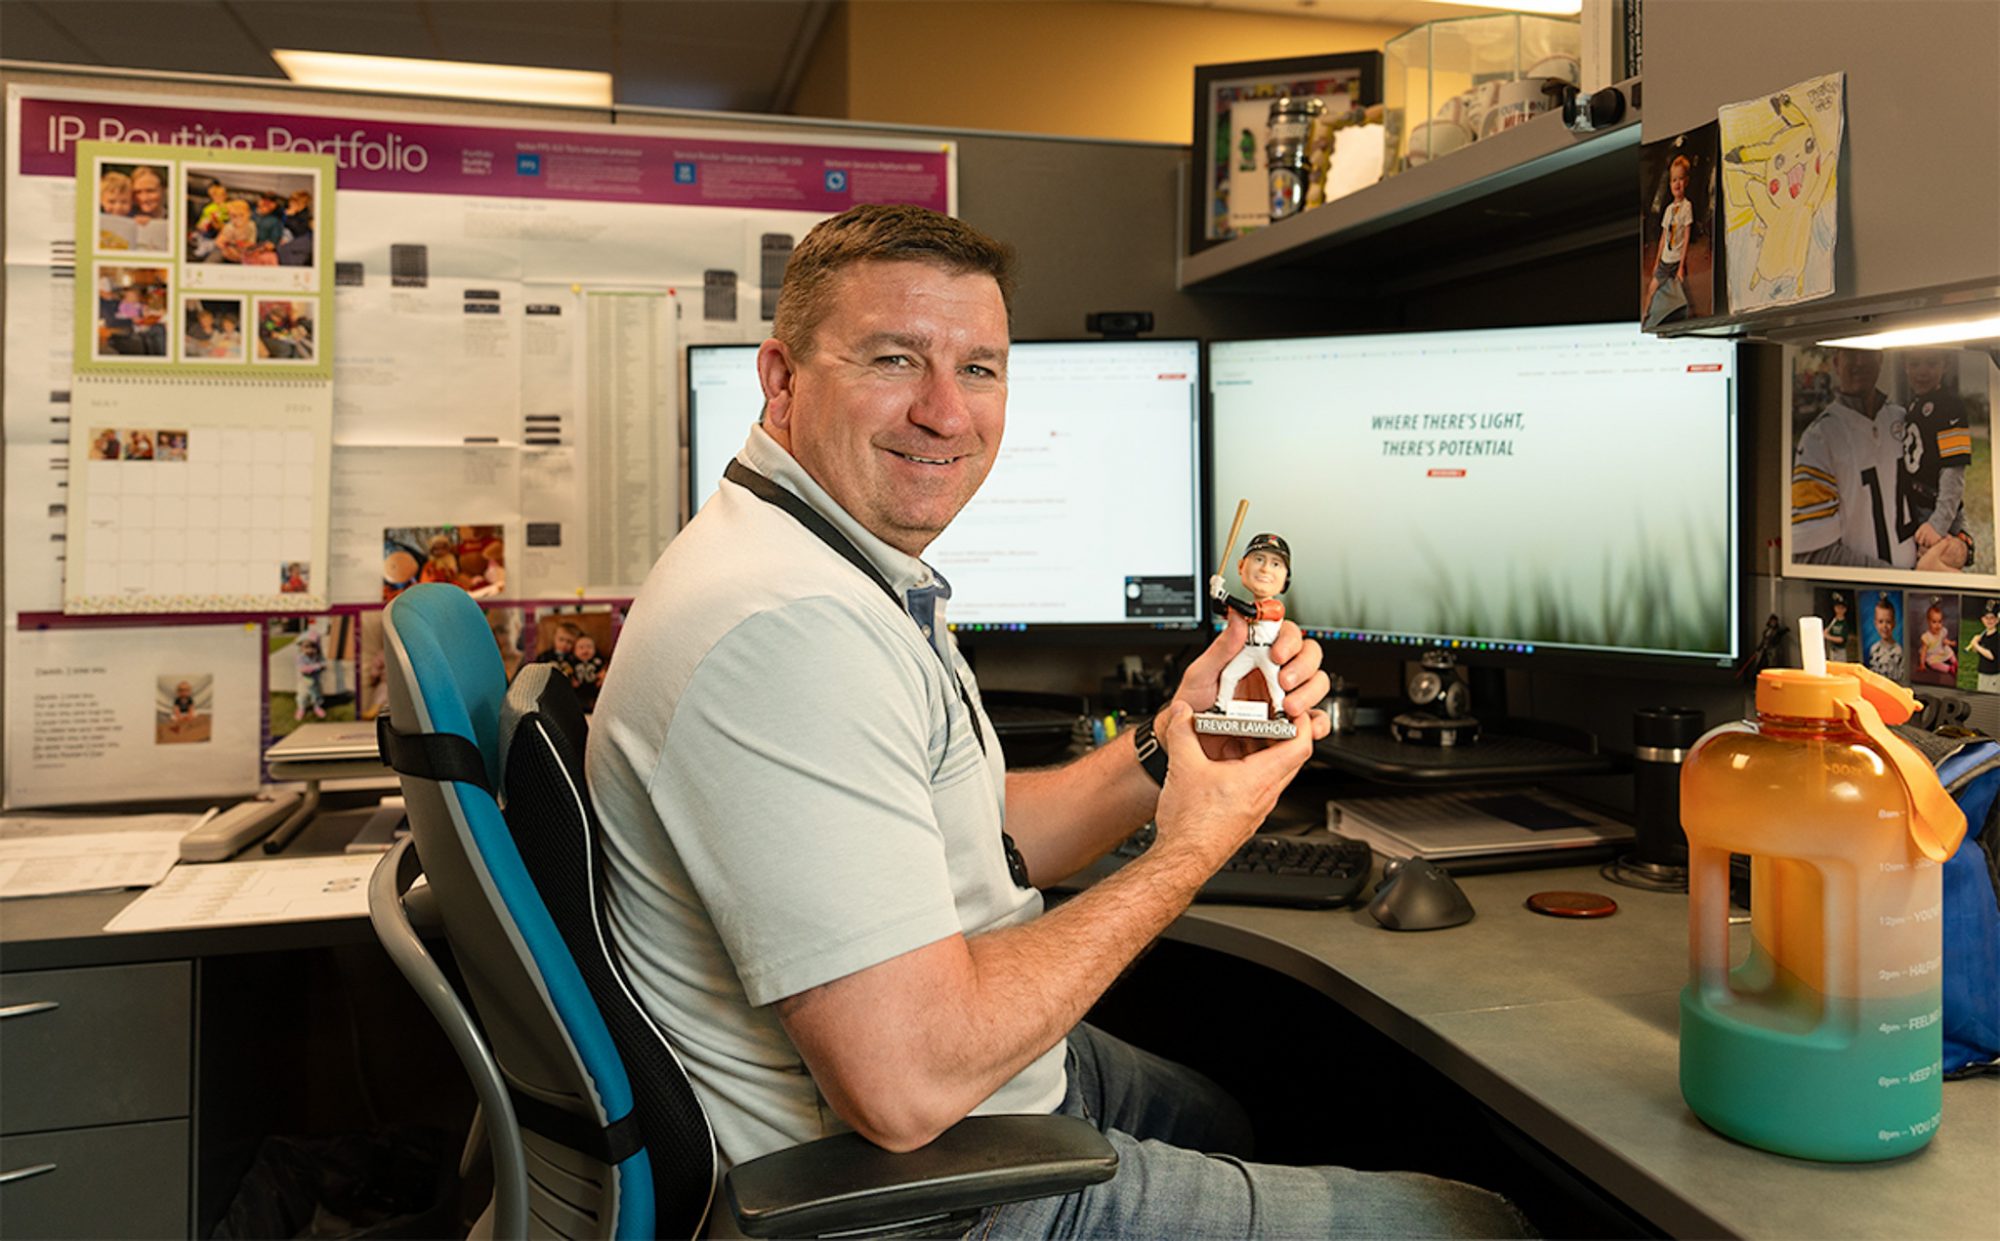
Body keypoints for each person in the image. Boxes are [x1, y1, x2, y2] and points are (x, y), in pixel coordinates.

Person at [588, 204, 1528, 1238]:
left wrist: (1170, 742)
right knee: (1473, 1223)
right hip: (924, 1197)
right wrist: (1191, 845)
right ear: (780, 378)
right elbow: (901, 1085)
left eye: (980, 369)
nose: (946, 412)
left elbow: (972, 839)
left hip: (968, 1103)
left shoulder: (820, 560)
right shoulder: (788, 630)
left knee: (1224, 1106)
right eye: (894, 359)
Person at [1792, 349, 1945, 570]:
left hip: (1914, 588)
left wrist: (1959, 546)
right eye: (1851, 355)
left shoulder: (1903, 418)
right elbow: (1811, 553)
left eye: (1867, 354)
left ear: (1881, 359)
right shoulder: (1819, 438)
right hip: (1860, 597)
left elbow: (1935, 494)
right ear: (1836, 362)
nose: (1860, 362)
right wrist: (1901, 581)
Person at [1898, 349, 1974, 572]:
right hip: (1916, 508)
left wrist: (1938, 524)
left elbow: (1954, 472)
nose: (1923, 371)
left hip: (1939, 510)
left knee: (1940, 574)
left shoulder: (1951, 407)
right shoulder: (1912, 405)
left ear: (1945, 365)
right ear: (1905, 366)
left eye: (1931, 363)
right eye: (1915, 363)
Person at [1207, 531, 1291, 718]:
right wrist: (1214, 592)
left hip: (1267, 652)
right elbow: (1220, 611)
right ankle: (1221, 707)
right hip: (1248, 649)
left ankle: (1280, 710)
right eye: (1259, 559)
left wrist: (1224, 595)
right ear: (1241, 567)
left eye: (1275, 564)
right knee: (1229, 675)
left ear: (1286, 581)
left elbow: (1251, 612)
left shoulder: (1276, 606)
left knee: (1274, 682)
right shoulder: (1246, 605)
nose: (1265, 569)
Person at [1644, 153, 1693, 323]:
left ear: (1686, 181)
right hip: (1665, 259)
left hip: (1676, 260)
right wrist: (1657, 262)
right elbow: (1664, 237)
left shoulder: (1687, 207)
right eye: (1673, 180)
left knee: (1680, 293)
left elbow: (1686, 237)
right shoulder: (1668, 210)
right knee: (1652, 288)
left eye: (1680, 179)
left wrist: (1681, 266)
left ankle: (1679, 319)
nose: (1677, 184)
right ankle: (1646, 317)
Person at [128, 166, 171, 251]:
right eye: (138, 192)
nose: (144, 198)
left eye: (150, 191)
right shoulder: (124, 218)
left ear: (164, 190)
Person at [1867, 595, 1906, 681]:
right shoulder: (1874, 649)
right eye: (1881, 622)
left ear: (1894, 624)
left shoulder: (1898, 651)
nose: (1884, 626)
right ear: (1875, 624)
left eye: (1888, 622)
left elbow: (1901, 677)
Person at [1917, 598, 1957, 681]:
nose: (1937, 625)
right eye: (1934, 622)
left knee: (1949, 650)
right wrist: (1922, 664)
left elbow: (1944, 640)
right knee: (1932, 663)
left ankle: (1955, 662)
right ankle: (1949, 668)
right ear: (1928, 622)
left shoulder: (1943, 631)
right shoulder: (1926, 637)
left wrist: (1950, 643)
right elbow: (1924, 652)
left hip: (1941, 649)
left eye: (1940, 622)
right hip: (1932, 653)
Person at [295, 631, 328, 720]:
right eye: (306, 647)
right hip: (304, 682)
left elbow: (324, 664)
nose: (310, 650)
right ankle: (301, 708)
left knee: (316, 695)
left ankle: (317, 707)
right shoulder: (300, 657)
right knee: (302, 696)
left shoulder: (317, 656)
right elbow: (303, 669)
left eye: (313, 647)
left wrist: (322, 666)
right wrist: (318, 666)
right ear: (301, 647)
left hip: (315, 681)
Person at [1969, 600, 2000, 693]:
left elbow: (1991, 655)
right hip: (1982, 672)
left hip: (1992, 674)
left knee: (1990, 697)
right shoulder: (1984, 635)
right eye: (1986, 618)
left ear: (1997, 620)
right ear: (1982, 620)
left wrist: (1976, 646)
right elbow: (1976, 651)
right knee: (1981, 694)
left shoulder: (1997, 638)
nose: (1989, 620)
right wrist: (1975, 643)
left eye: (1992, 618)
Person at [1824, 591, 1851, 661]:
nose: (1839, 610)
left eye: (1841, 608)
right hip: (1832, 649)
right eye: (1837, 607)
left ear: (1845, 609)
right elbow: (1826, 631)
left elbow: (1841, 639)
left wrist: (1828, 637)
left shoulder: (1844, 623)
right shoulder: (1833, 621)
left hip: (1840, 651)